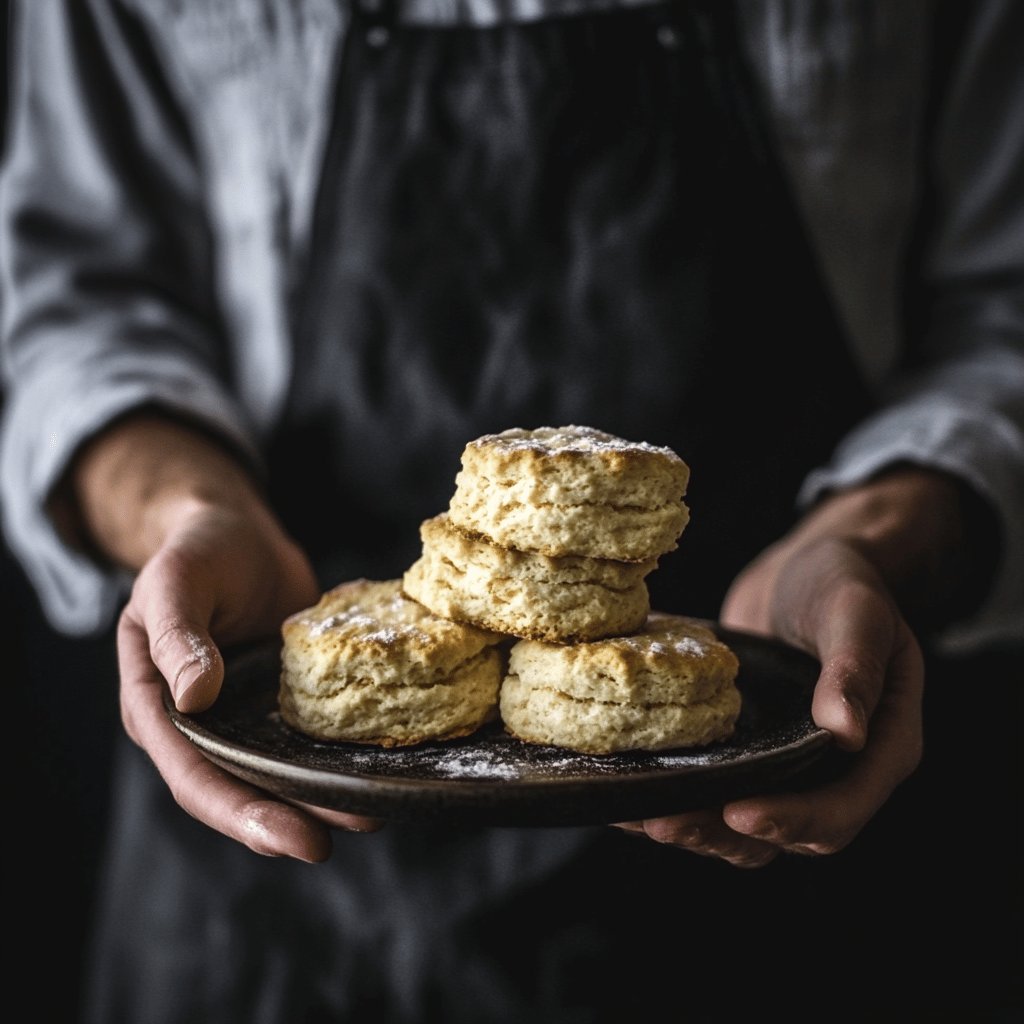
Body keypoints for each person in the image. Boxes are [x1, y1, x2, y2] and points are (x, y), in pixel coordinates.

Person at [1, 0, 1022, 1021]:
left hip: (797, 869)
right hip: (275, 887)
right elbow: (78, 303)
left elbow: (1002, 310)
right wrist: (187, 511)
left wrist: (871, 543)